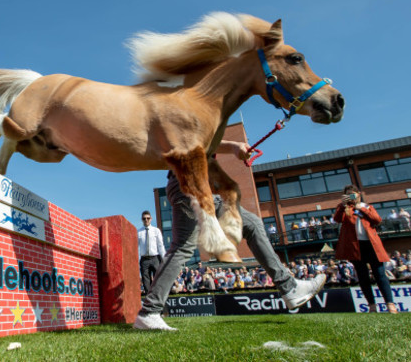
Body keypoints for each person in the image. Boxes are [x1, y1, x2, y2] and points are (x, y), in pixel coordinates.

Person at [133, 140, 326, 330]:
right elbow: (199, 141)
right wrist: (234, 146)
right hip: (190, 183)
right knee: (187, 246)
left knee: (247, 225)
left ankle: (150, 311)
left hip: (188, 183)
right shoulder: (199, 114)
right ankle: (289, 288)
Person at [334, 185, 398, 314]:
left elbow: (377, 220)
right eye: (348, 195)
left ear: (358, 194)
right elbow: (337, 219)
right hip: (356, 246)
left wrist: (362, 209)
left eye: (353, 194)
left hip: (371, 245)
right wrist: (342, 205)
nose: (351, 197)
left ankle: (390, 304)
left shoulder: (366, 206)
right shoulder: (345, 208)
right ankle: (372, 305)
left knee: (380, 274)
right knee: (363, 276)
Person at [137, 211, 166, 295]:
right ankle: (149, 302)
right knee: (146, 283)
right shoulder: (139, 232)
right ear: (142, 219)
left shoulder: (156, 231)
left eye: (148, 218)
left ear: (151, 219)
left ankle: (159, 300)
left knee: (158, 280)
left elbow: (161, 246)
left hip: (155, 258)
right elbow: (135, 246)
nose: (146, 220)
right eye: (144, 218)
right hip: (144, 260)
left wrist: (164, 259)